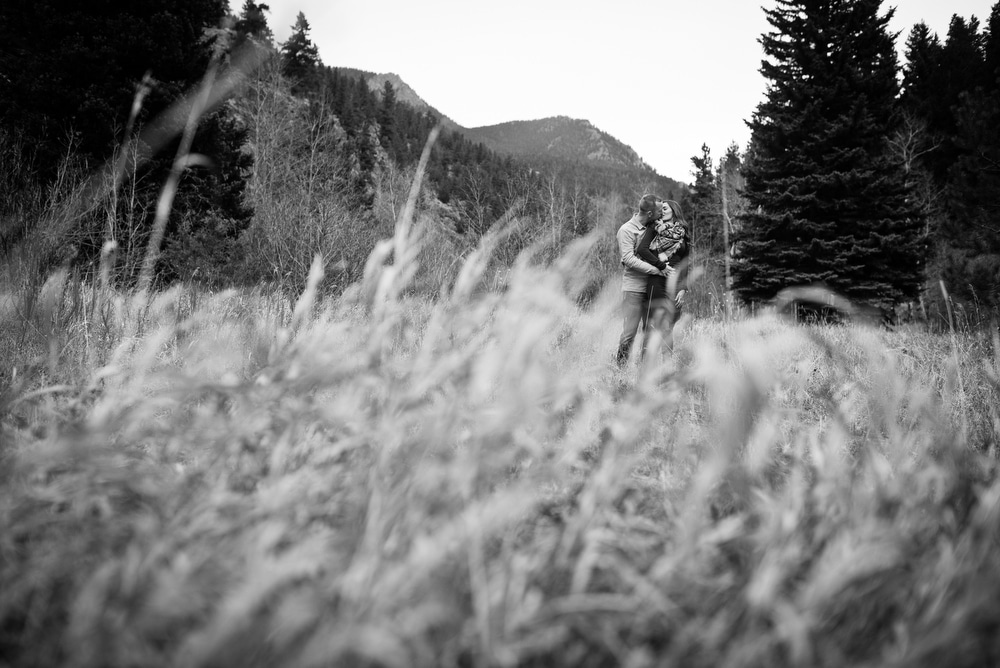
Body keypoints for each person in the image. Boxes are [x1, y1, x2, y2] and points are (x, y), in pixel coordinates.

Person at [615, 193, 667, 366]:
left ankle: (645, 371)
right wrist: (656, 269)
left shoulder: (656, 228)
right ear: (651, 213)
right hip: (634, 289)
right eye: (660, 210)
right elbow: (628, 259)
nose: (663, 213)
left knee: (650, 331)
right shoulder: (626, 230)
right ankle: (620, 370)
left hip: (653, 288)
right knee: (629, 333)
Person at [635, 199, 690, 358]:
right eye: (660, 209)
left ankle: (667, 369)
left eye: (665, 208)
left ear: (674, 210)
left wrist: (683, 288)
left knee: (669, 326)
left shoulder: (683, 232)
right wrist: (661, 266)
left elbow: (686, 262)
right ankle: (645, 367)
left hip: (676, 284)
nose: (662, 211)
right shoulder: (654, 227)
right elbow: (642, 249)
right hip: (657, 281)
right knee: (654, 326)